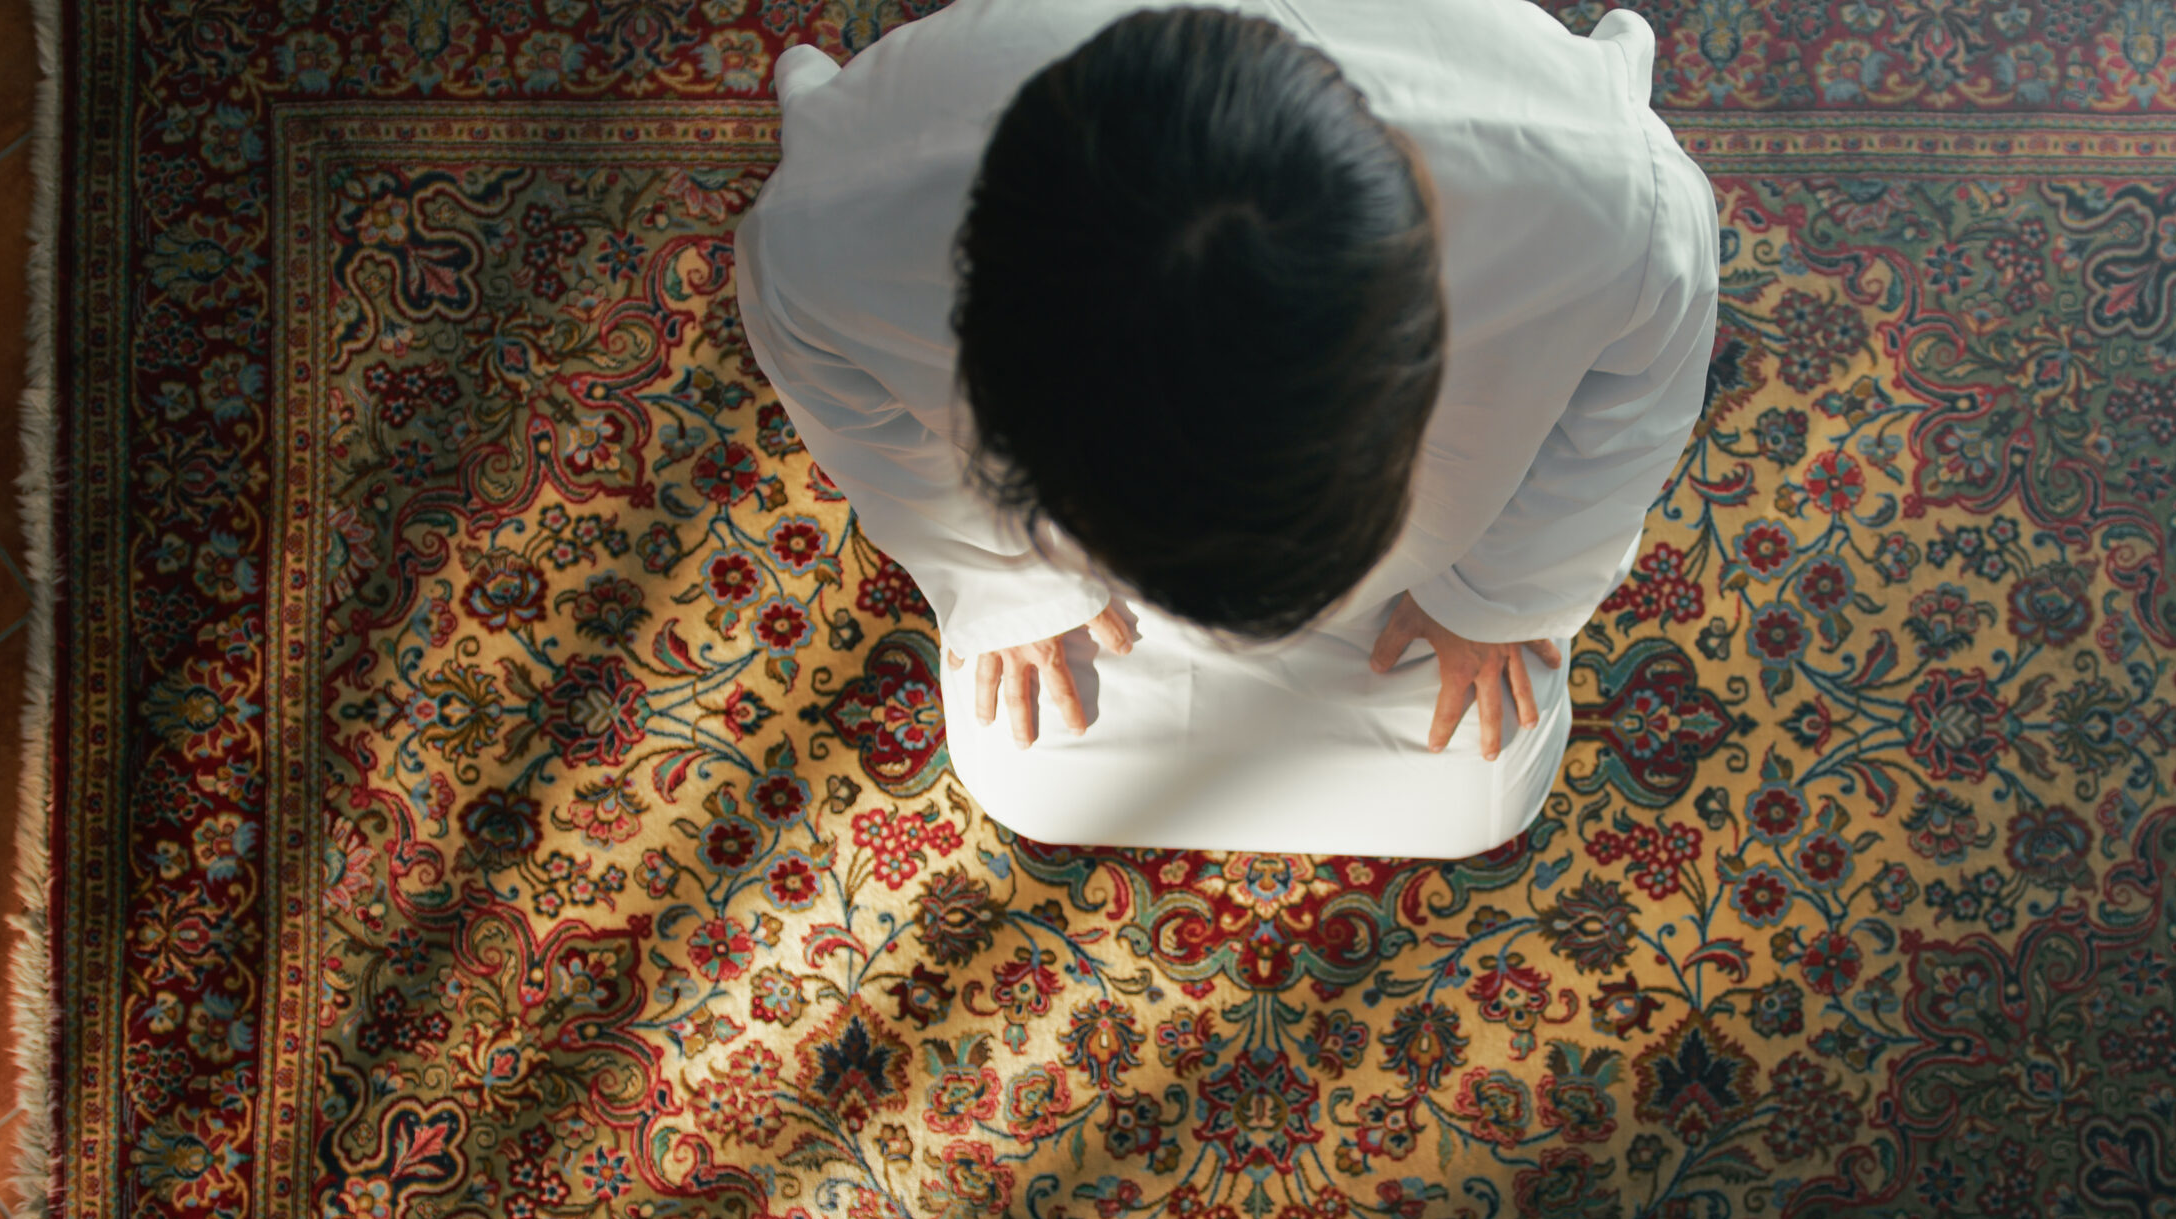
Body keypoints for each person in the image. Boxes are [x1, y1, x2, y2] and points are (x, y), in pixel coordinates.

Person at [733, 0, 1719, 858]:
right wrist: (1003, 579)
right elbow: (838, 382)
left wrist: (1502, 595)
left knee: (1471, 791)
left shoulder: (1604, 198)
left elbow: (1638, 397)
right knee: (1033, 775)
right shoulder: (839, 221)